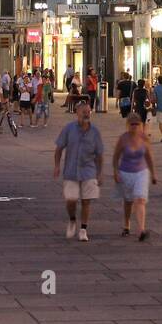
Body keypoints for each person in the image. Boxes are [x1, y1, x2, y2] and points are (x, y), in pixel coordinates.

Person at [54, 100, 104, 241]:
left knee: (86, 201)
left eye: (89, 112)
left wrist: (100, 173)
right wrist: (57, 165)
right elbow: (59, 148)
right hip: (71, 170)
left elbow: (99, 154)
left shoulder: (95, 132)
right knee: (71, 200)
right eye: (84, 112)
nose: (87, 115)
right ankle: (72, 219)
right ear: (77, 113)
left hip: (89, 171)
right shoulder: (69, 129)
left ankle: (83, 229)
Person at [112, 113, 157, 241]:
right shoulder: (123, 138)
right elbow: (116, 156)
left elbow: (149, 157)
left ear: (141, 125)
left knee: (140, 199)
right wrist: (115, 172)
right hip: (126, 172)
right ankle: (126, 224)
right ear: (128, 125)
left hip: (141, 172)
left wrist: (153, 174)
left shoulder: (144, 138)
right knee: (128, 201)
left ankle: (141, 229)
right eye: (132, 124)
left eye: (137, 124)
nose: (135, 127)